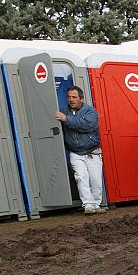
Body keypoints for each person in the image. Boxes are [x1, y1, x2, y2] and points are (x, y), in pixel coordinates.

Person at [55, 86, 106, 215]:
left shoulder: (91, 111)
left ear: (81, 99)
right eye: (69, 97)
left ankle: (96, 204)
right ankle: (88, 205)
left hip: (92, 151)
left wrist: (66, 119)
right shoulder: (62, 111)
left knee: (95, 180)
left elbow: (87, 125)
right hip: (75, 152)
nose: (71, 99)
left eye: (74, 97)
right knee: (81, 178)